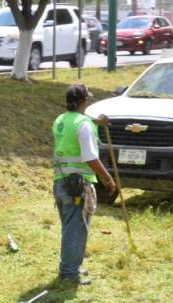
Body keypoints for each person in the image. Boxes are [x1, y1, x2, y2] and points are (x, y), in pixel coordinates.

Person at [51, 84, 116, 286]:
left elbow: (78, 125)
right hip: (78, 185)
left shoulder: (60, 120)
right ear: (83, 102)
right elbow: (89, 157)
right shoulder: (83, 124)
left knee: (69, 227)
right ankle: (69, 274)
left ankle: (70, 268)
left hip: (61, 182)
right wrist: (107, 178)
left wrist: (97, 121)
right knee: (76, 229)